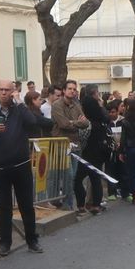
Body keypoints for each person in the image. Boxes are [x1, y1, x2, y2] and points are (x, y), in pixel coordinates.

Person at [0, 79, 45, 253]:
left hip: (21, 165)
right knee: (3, 207)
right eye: (0, 89)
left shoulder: (20, 111)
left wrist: (21, 103)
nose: (3, 93)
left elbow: (32, 123)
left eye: (7, 90)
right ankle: (5, 242)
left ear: (13, 91)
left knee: (26, 205)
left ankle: (32, 240)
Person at [51, 81, 89, 209]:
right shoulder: (57, 105)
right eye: (69, 88)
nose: (72, 91)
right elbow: (63, 124)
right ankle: (66, 205)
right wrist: (77, 122)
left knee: (72, 177)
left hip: (76, 144)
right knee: (68, 175)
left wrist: (74, 122)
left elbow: (86, 123)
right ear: (64, 90)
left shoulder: (76, 105)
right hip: (62, 144)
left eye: (74, 89)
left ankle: (67, 203)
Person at [76, 83, 111, 214]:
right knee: (94, 177)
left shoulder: (82, 107)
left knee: (80, 177)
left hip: (86, 148)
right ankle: (94, 204)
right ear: (95, 92)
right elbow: (106, 118)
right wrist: (102, 106)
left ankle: (84, 204)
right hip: (96, 147)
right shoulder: (96, 109)